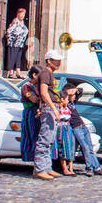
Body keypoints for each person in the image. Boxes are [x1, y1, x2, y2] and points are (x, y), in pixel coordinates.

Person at [31, 49, 65, 181]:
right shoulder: (45, 73)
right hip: (49, 109)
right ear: (49, 61)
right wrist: (54, 109)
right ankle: (39, 169)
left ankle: (47, 167)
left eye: (59, 61)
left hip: (52, 108)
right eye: (56, 61)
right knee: (44, 139)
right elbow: (44, 93)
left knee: (49, 140)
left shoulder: (49, 74)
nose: (59, 63)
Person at [62, 83, 102, 177]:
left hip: (83, 126)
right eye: (72, 95)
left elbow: (80, 91)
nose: (74, 97)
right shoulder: (65, 104)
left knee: (90, 148)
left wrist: (74, 91)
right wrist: (68, 93)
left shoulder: (73, 103)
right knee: (85, 147)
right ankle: (89, 167)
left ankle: (96, 167)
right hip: (76, 128)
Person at [5, 8, 29, 79]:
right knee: (12, 57)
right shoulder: (15, 21)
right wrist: (11, 39)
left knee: (18, 58)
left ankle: (18, 73)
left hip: (20, 43)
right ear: (18, 14)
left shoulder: (23, 22)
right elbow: (9, 31)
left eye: (24, 14)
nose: (22, 16)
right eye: (21, 14)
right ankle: (11, 73)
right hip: (14, 43)